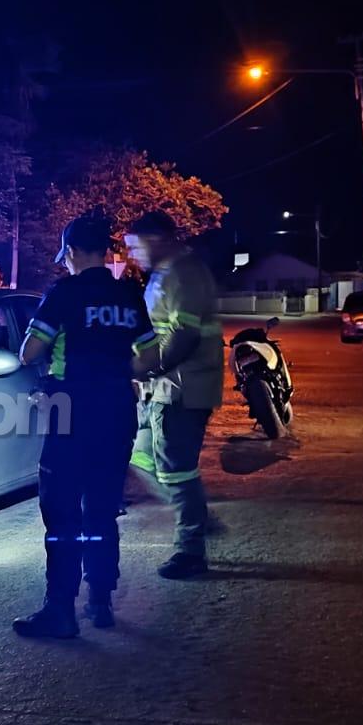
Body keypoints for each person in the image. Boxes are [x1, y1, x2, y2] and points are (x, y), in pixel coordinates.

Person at [14, 213, 160, 638]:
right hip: (116, 412)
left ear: (74, 252)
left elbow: (29, 352)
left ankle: (60, 610)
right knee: (102, 507)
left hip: (71, 414)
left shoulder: (64, 293)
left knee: (62, 512)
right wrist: (116, 374)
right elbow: (151, 356)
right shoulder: (128, 294)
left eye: (66, 255)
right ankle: (100, 599)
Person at [124, 211, 224, 579]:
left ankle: (190, 551)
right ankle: (195, 516)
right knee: (141, 456)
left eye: (136, 246)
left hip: (183, 388)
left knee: (177, 469)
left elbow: (184, 334)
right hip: (163, 389)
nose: (132, 254)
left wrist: (144, 367)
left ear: (158, 239)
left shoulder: (185, 272)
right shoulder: (164, 274)